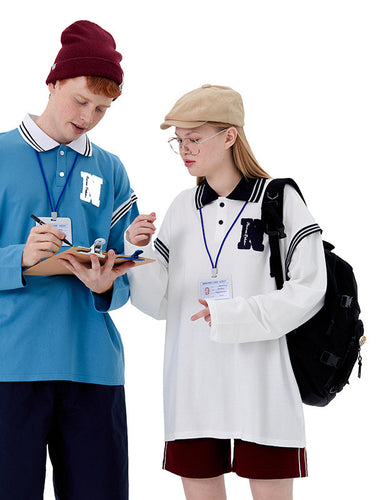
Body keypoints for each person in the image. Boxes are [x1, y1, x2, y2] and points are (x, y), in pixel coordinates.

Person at [0, 20, 138, 500]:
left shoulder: (110, 169)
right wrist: (20, 257)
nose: (88, 117)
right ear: (53, 82)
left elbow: (126, 269)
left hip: (92, 365)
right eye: (81, 101)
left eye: (102, 109)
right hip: (7, 365)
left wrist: (108, 284)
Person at [125, 85, 327, 500]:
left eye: (194, 139)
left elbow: (311, 289)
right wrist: (136, 250)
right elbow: (158, 303)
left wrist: (233, 315)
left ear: (230, 136)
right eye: (178, 141)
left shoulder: (279, 199)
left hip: (262, 382)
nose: (184, 150)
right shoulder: (182, 207)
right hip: (192, 383)